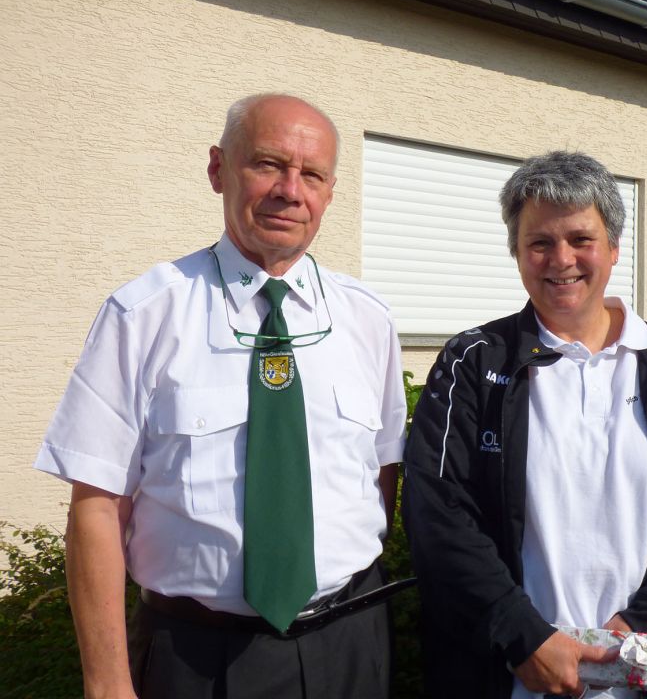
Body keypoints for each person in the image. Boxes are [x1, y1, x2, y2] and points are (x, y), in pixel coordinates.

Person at [35, 94, 407, 699]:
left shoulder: (368, 319)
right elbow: (96, 507)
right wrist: (106, 684)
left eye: (311, 174)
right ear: (218, 169)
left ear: (330, 193)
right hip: (198, 656)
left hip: (351, 644)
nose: (291, 190)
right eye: (267, 164)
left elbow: (383, 470)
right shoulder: (144, 314)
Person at [402, 151, 647, 699]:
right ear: (517, 253)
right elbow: (436, 510)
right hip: (514, 674)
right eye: (539, 242)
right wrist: (523, 635)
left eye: (581, 239)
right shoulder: (473, 362)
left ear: (613, 247)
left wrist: (646, 624)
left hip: (644, 671)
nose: (561, 259)